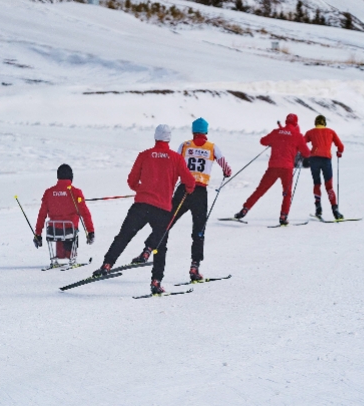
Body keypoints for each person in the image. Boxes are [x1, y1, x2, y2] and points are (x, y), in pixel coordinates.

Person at [94, 125, 196, 295]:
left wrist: (142, 190)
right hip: (162, 210)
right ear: (169, 139)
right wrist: (188, 190)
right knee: (160, 247)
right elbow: (190, 182)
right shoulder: (176, 159)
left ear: (155, 137)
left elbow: (132, 180)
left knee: (124, 236)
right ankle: (156, 281)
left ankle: (107, 264)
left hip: (141, 205)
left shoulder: (144, 155)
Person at [158, 118, 232, 281]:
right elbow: (227, 169)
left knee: (168, 221)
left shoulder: (185, 146)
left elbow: (173, 164)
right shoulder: (212, 147)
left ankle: (149, 250)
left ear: (193, 131)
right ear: (206, 132)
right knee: (198, 230)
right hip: (200, 192)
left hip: (183, 190)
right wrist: (225, 173)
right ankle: (194, 267)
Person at [234, 113, 311, 226]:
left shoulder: (276, 132)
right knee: (287, 193)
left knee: (260, 190)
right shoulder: (297, 135)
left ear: (286, 121)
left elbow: (263, 141)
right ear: (295, 123)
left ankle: (245, 209)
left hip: (273, 167)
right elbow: (307, 153)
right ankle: (283, 216)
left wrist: (273, 142)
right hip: (287, 168)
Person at [33, 164, 95, 266]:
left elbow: (42, 215)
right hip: (69, 230)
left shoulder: (49, 192)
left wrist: (38, 234)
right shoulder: (76, 192)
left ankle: (59, 257)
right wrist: (90, 232)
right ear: (71, 177)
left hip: (53, 231)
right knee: (69, 231)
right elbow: (85, 213)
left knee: (60, 230)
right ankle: (71, 256)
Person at [304, 115, 345, 220]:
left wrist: (303, 153)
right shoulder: (331, 132)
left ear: (315, 123)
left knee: (317, 183)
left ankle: (318, 208)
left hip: (314, 160)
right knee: (329, 186)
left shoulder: (310, 132)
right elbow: (340, 146)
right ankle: (335, 210)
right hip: (326, 160)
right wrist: (339, 153)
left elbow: (302, 143)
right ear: (324, 123)